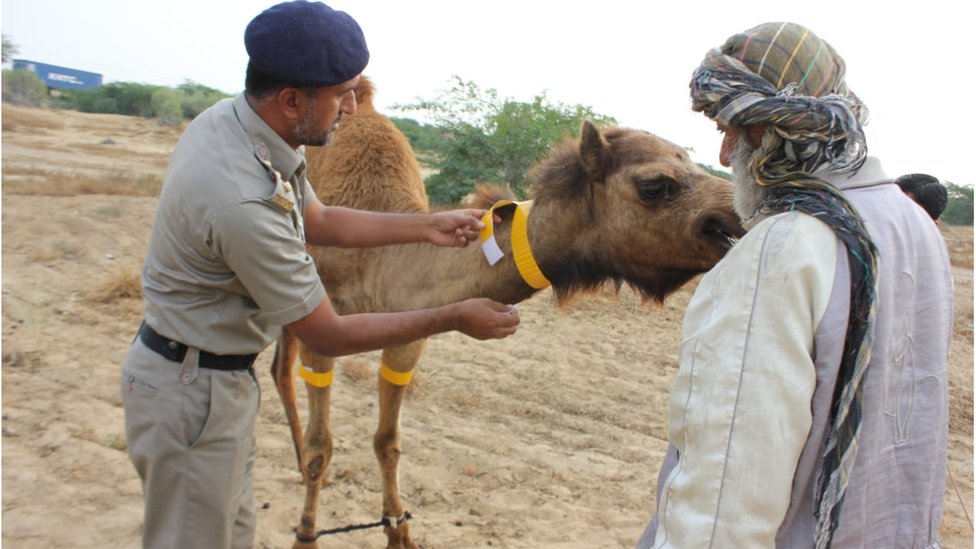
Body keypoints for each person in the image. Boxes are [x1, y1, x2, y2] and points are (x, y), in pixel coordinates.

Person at [119, 2, 520, 548]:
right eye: (342, 94)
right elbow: (324, 333)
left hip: (213, 381)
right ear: (291, 100)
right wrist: (453, 317)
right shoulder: (243, 200)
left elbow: (319, 219)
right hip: (193, 393)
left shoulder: (243, 129)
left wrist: (424, 225)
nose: (354, 108)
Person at [637, 22, 953, 548]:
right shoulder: (910, 220)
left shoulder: (782, 247)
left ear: (770, 131)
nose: (723, 155)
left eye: (730, 129)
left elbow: (723, 500)